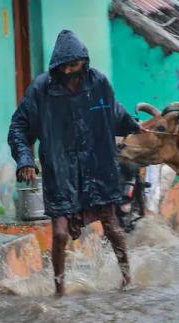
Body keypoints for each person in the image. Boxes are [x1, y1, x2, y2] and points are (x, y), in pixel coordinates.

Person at [8, 30, 140, 296]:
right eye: (64, 66)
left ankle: (128, 281)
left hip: (98, 168)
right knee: (59, 233)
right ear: (56, 65)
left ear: (84, 62)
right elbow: (19, 127)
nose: (70, 71)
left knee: (112, 226)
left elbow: (116, 112)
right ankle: (59, 289)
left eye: (75, 65)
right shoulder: (41, 90)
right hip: (61, 170)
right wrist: (25, 159)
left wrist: (141, 131)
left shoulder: (98, 83)